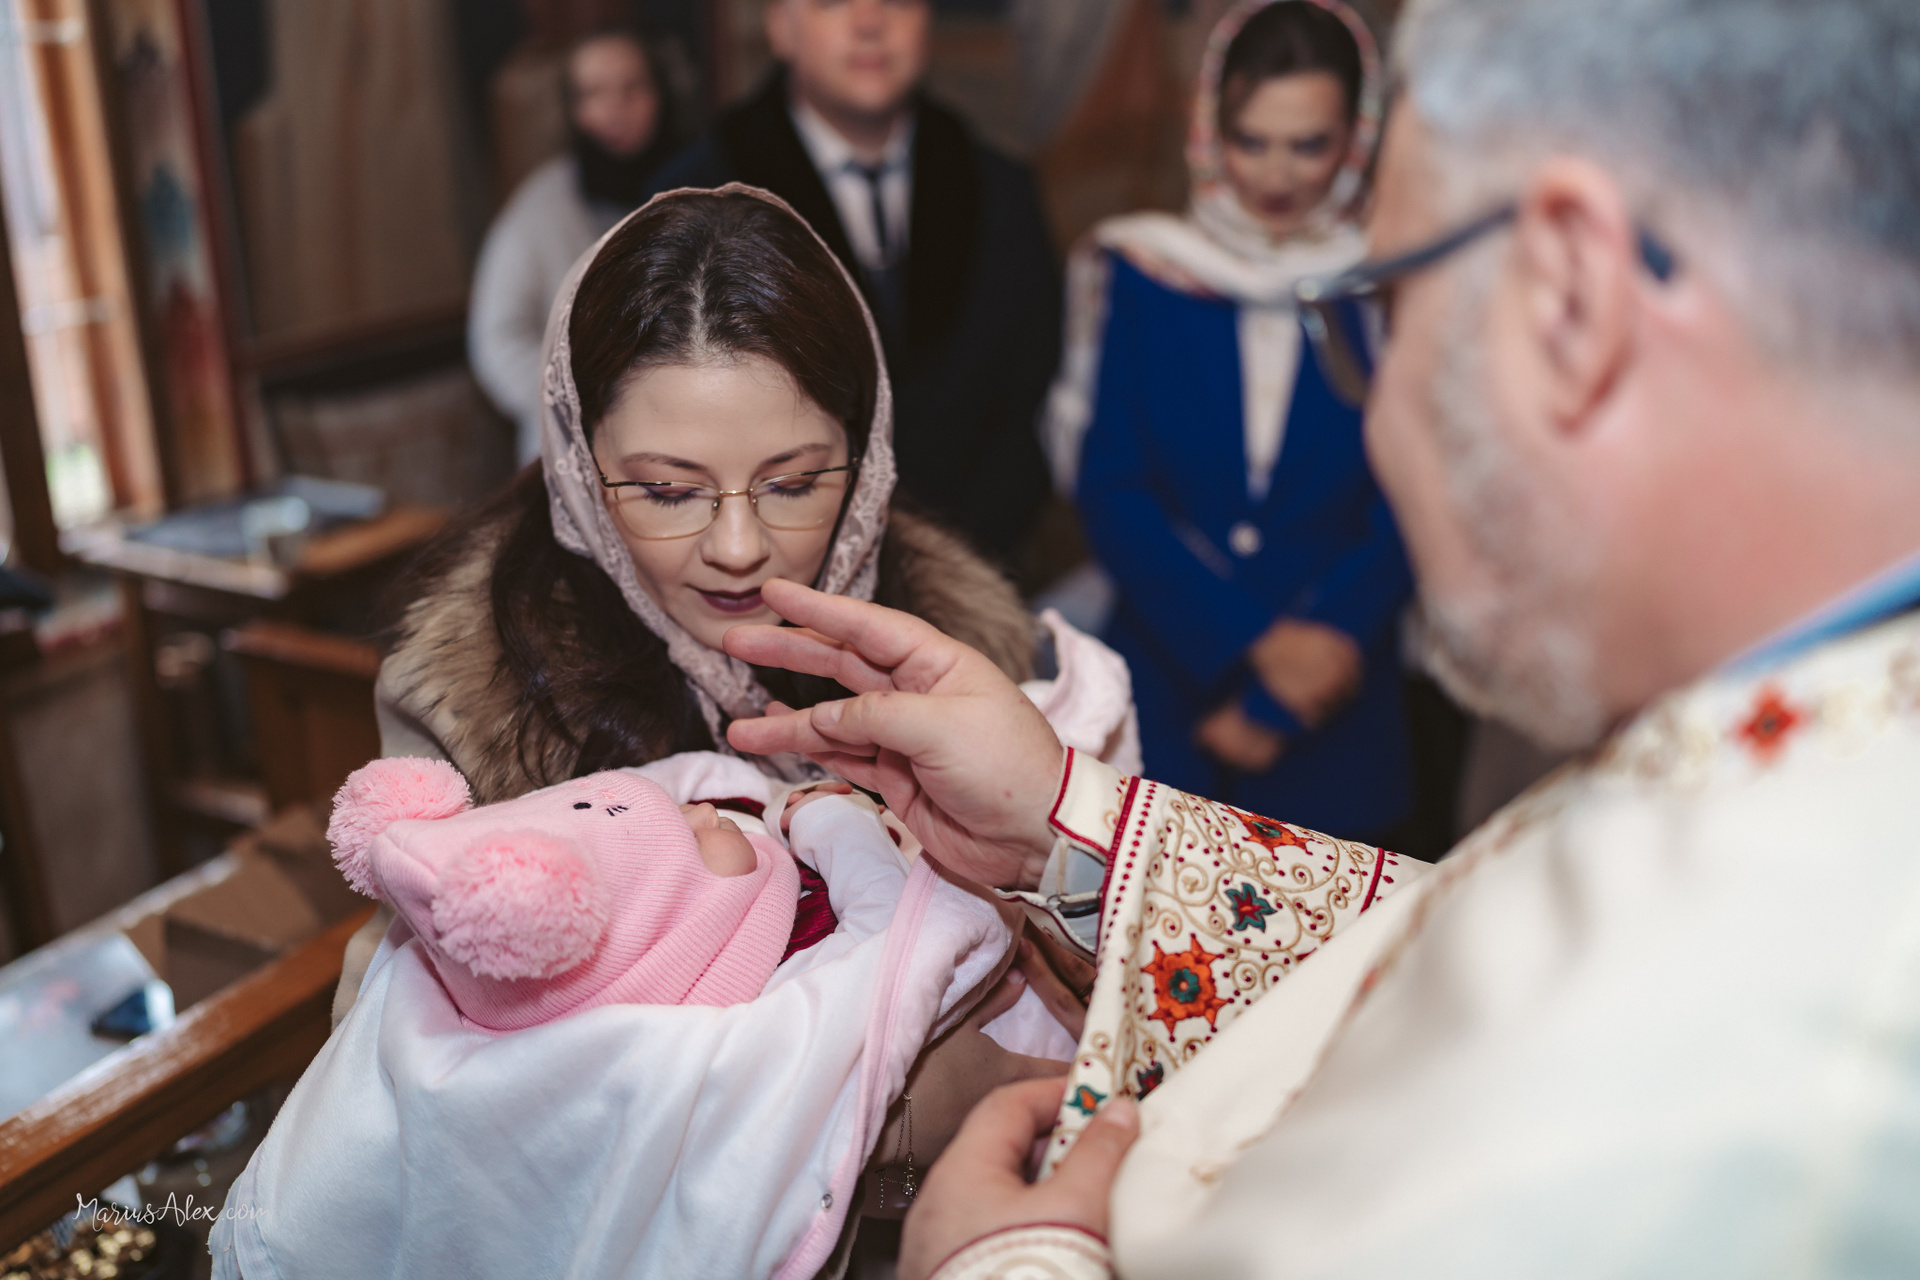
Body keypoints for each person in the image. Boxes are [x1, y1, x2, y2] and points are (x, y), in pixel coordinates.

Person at [721, 0, 1920, 1273]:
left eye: (1380, 312)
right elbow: (1435, 944)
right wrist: (1074, 832)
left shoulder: (1784, 1067)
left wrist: (1008, 1261)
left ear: (1571, 295)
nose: (1377, 406)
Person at [339, 186, 1138, 1181]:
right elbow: (416, 1084)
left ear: (865, 455)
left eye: (794, 483)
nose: (737, 546)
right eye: (668, 491)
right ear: (580, 460)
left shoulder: (960, 648)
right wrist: (888, 1116)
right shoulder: (483, 694)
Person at [214, 755, 1050, 1277]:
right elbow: (906, 929)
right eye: (692, 836)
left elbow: (669, 788)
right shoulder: (734, 1023)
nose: (704, 812)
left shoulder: (517, 964)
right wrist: (825, 816)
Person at [1052, 0, 1414, 840]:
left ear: (1358, 138)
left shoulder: (1385, 286)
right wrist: (1253, 643)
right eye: (1251, 141)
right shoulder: (1145, 271)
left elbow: (1410, 503)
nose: (1277, 175)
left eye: (1309, 145)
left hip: (1339, 716)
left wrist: (1286, 694)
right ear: (1210, 131)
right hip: (1165, 698)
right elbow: (1113, 487)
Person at [644, 0, 1057, 563]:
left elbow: (1033, 397)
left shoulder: (1003, 191)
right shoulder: (690, 199)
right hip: (763, 564)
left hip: (969, 561)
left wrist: (950, 564)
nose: (869, 22)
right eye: (833, 2)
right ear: (781, 27)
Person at [468, 27, 680, 463]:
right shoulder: (540, 209)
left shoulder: (698, 187)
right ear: (572, 107)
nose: (616, 108)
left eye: (632, 88)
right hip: (576, 447)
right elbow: (497, 338)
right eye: (595, 93)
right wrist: (576, 403)